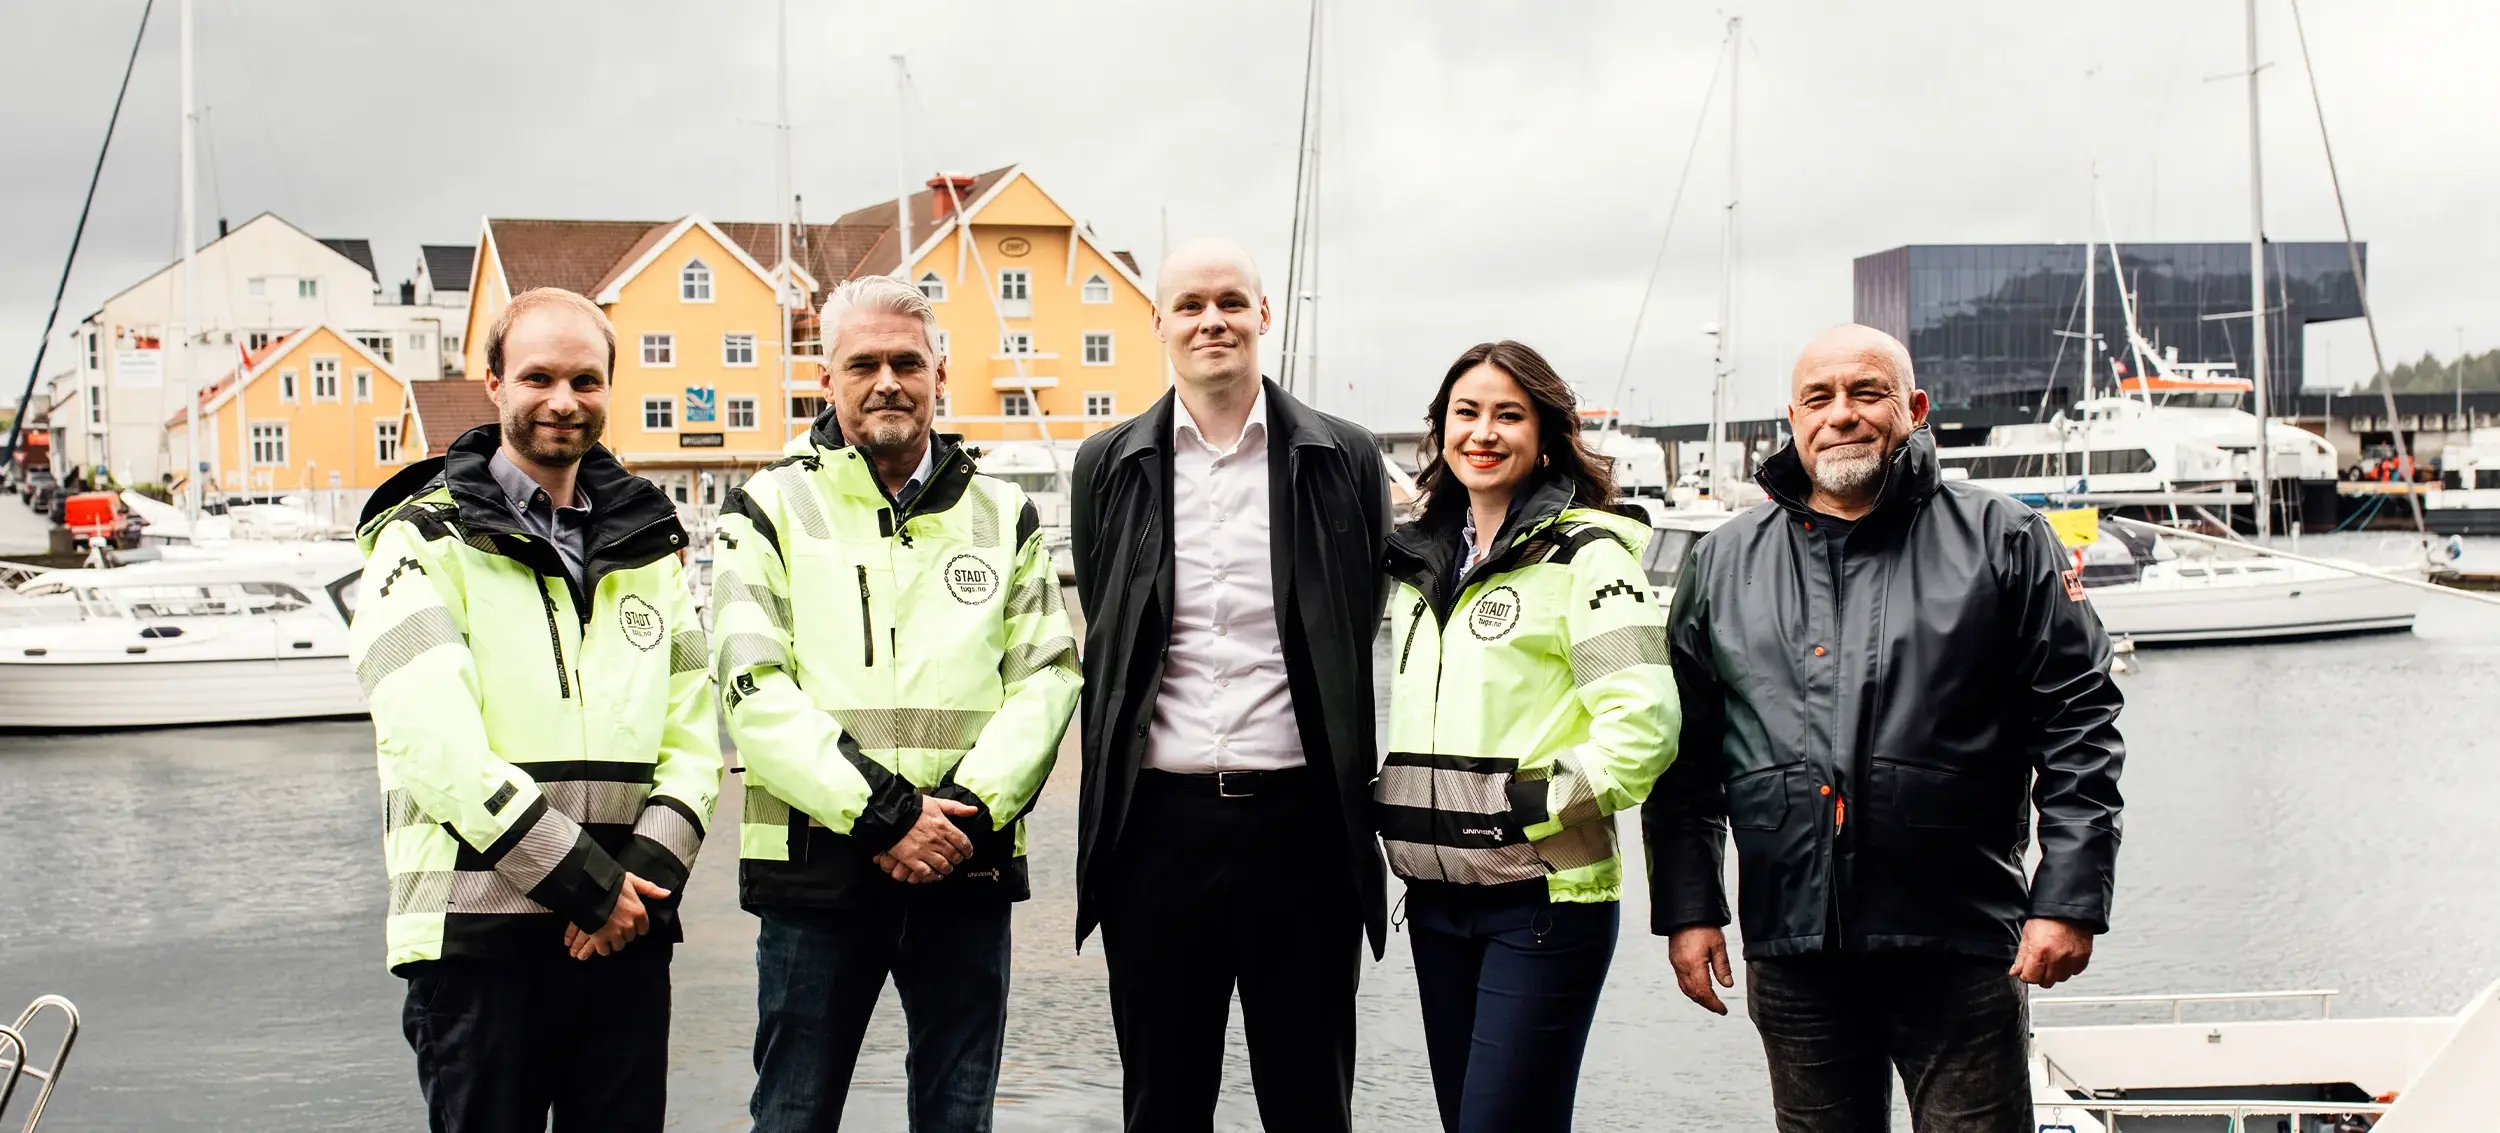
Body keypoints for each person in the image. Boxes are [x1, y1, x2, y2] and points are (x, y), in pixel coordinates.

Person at [1644, 323, 2127, 1132]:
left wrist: (2068, 897)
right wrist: (1691, 908)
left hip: (1963, 935)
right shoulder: (1723, 561)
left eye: (1867, 393)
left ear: (1913, 408)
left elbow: (2080, 722)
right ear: (1791, 417)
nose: (1843, 414)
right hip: (1793, 943)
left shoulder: (2003, 538)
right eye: (1819, 398)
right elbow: (1684, 758)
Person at [713, 275, 1081, 1133]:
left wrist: (965, 815)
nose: (888, 381)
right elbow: (753, 690)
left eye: (907, 362)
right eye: (864, 363)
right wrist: (886, 819)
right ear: (826, 379)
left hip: (964, 864)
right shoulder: (765, 509)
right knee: (793, 1115)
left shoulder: (1002, 512)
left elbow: (1049, 678)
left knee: (958, 1119)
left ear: (940, 375)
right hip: (815, 873)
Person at [349, 286, 721, 1132]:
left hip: (626, 937)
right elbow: (431, 742)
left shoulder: (647, 546)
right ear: (493, 383)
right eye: (538, 376)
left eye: (586, 380)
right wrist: (589, 887)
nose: (563, 400)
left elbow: (695, 741)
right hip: (480, 945)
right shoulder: (420, 539)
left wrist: (639, 889)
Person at [1068, 238, 1391, 1132]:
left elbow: (1352, 619)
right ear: (1160, 323)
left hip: (1303, 829)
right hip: (1157, 833)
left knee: (1310, 1101)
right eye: (1192, 304)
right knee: (1163, 1104)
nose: (1213, 320)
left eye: (1232, 302)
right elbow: (1113, 619)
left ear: (1263, 316)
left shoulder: (1345, 457)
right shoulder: (1108, 463)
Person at [1377, 341, 1680, 1132]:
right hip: (1436, 902)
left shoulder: (1588, 556)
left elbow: (1645, 722)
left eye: (1508, 414)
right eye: (1466, 413)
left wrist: (1530, 804)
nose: (1484, 431)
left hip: (1544, 899)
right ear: (1440, 430)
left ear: (1545, 434)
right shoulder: (1421, 562)